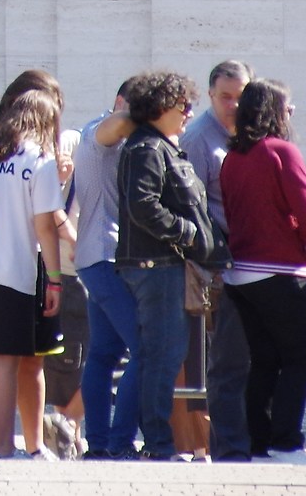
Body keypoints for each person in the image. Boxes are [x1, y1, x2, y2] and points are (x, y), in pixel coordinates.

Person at [0, 85, 67, 458]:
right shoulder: (38, 158)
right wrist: (53, 278)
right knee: (5, 363)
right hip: (13, 268)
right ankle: (4, 448)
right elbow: (45, 226)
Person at [218, 78, 306, 465]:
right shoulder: (282, 151)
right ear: (277, 112)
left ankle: (259, 444)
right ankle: (286, 442)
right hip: (279, 268)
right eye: (288, 108)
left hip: (241, 273)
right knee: (303, 356)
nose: (291, 115)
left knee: (264, 360)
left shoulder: (233, 158)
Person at [115, 68, 214, 461]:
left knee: (164, 354)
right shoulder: (147, 149)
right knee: (163, 354)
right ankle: (158, 443)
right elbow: (143, 205)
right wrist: (186, 233)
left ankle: (156, 440)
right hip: (154, 265)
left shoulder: (158, 146)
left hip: (160, 263)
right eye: (183, 105)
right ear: (159, 107)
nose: (189, 112)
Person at [181, 58, 252, 461]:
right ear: (211, 95)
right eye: (225, 97)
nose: (233, 105)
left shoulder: (248, 134)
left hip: (246, 261)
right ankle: (210, 443)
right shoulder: (199, 139)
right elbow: (194, 206)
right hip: (215, 266)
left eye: (240, 97)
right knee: (217, 360)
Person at [73, 81, 141, 461]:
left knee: (103, 353)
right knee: (144, 349)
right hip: (104, 255)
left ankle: (99, 443)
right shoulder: (101, 130)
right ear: (119, 102)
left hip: (100, 256)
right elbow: (118, 124)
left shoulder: (97, 132)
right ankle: (119, 441)